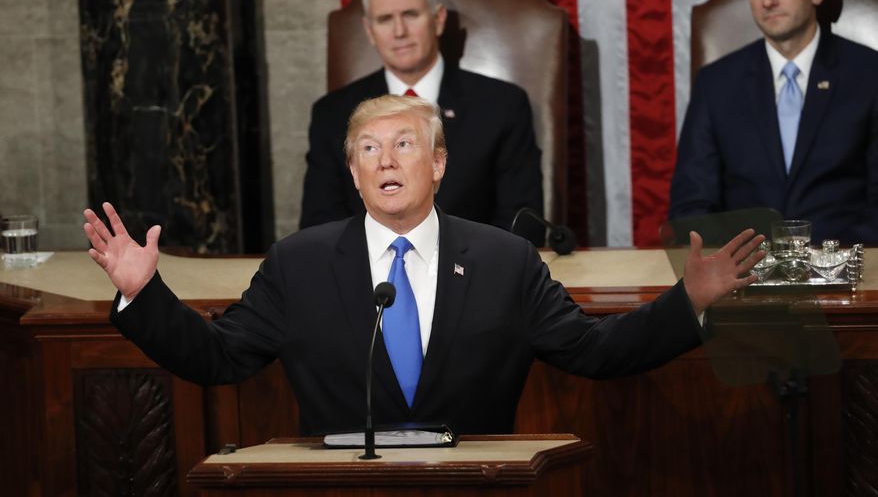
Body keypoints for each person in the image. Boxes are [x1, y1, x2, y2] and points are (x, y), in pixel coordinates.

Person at [84, 95, 764, 436]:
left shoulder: (504, 259)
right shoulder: (299, 264)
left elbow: (594, 351)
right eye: (369, 149)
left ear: (437, 164)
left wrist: (689, 302)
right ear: (352, 172)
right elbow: (220, 359)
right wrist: (145, 296)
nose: (386, 160)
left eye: (404, 144)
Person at [300, 0, 545, 243]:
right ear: (369, 31)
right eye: (385, 19)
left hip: (474, 276)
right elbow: (319, 227)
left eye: (410, 14)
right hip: (368, 279)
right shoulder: (332, 114)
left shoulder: (502, 105)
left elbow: (522, 222)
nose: (399, 31)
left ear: (438, 19)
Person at [669, 0, 878, 245]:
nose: (767, 1)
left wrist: (838, 264)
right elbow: (692, 207)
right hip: (745, 278)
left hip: (847, 273)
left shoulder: (869, 73)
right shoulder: (717, 84)